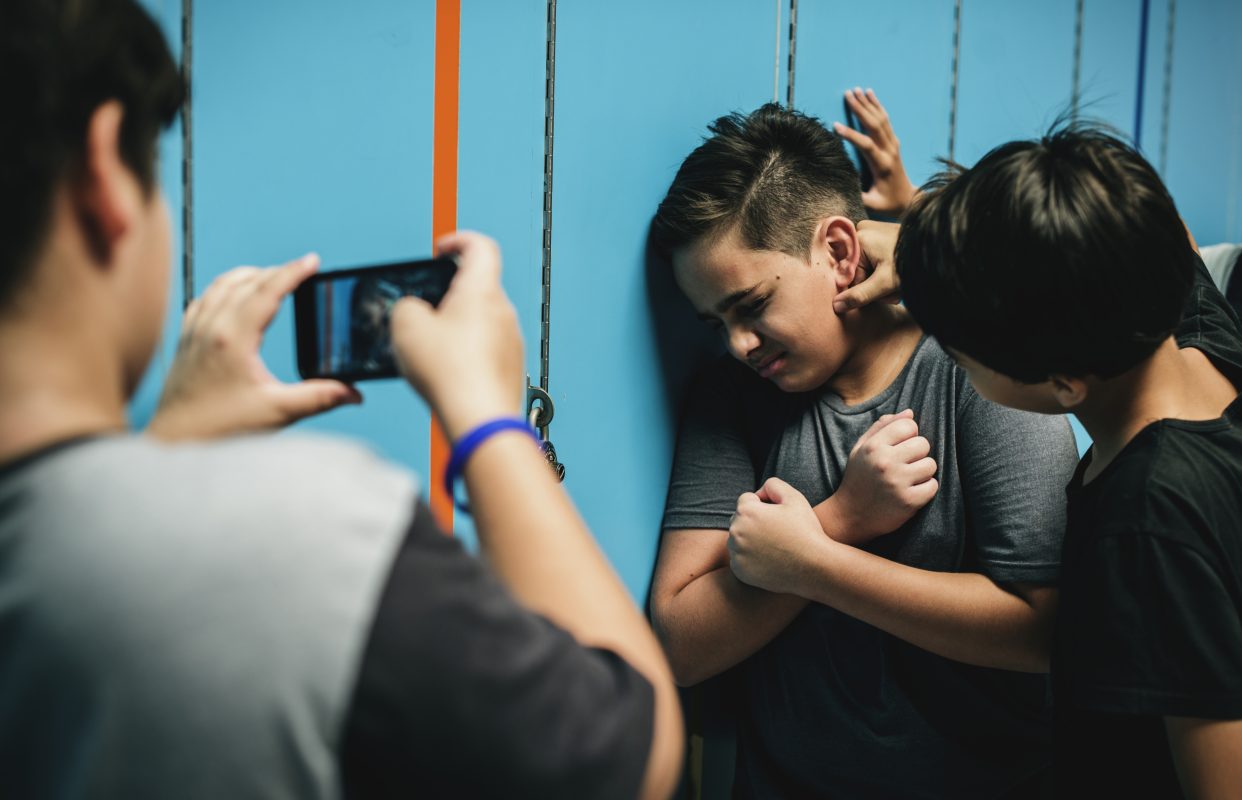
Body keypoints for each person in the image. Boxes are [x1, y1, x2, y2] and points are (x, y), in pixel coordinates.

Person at [0, 1, 682, 797]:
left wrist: (170, 448)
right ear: (105, 175)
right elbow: (623, 753)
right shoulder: (306, 535)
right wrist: (489, 418)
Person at [647, 102, 1079, 797]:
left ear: (842, 253)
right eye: (716, 321)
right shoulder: (731, 396)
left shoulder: (974, 368)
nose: (737, 343)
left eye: (751, 305)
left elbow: (1042, 631)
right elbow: (681, 645)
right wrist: (838, 521)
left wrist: (815, 567)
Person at [888, 124, 1242, 798]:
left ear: (1064, 382)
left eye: (958, 355)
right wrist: (921, 222)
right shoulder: (1197, 336)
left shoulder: (1150, 518)